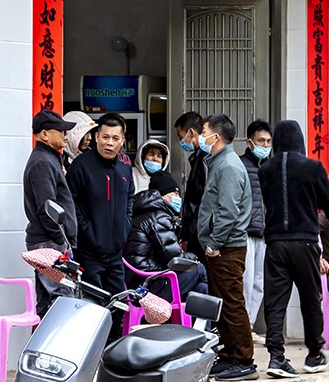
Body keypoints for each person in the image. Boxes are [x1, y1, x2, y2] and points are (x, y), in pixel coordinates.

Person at [259, 119, 329, 378]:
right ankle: (314, 354)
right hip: (304, 241)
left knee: (275, 302)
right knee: (310, 299)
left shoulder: (265, 169)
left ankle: (276, 357)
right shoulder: (313, 167)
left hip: (275, 243)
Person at [196, 113, 257, 381]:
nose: (200, 136)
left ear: (216, 137)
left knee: (232, 304)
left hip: (226, 248)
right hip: (222, 246)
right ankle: (231, 354)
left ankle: (244, 360)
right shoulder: (219, 162)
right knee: (224, 303)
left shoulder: (228, 166)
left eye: (204, 131)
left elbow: (228, 211)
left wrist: (214, 243)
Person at [66, 112, 134, 297]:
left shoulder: (124, 168)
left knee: (119, 305)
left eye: (115, 138)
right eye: (105, 137)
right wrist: (87, 232)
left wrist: (125, 228)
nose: (109, 143)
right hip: (89, 255)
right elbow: (70, 203)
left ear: (122, 140)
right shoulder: (80, 166)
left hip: (116, 254)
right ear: (96, 137)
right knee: (93, 306)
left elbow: (129, 199)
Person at [23, 109, 78, 316]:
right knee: (62, 301)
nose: (65, 135)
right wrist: (60, 239)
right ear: (45, 134)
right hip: (50, 243)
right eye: (61, 130)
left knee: (47, 304)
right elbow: (47, 209)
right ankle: (56, 348)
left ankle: (36, 348)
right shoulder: (42, 162)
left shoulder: (49, 159)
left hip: (50, 243)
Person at [123, 187, 209, 301]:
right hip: (148, 286)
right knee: (199, 269)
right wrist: (193, 258)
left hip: (137, 282)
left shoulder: (141, 215)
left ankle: (191, 317)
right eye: (174, 194)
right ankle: (197, 317)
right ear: (162, 196)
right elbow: (173, 258)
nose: (178, 198)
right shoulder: (158, 217)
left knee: (200, 287)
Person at [240, 120, 273, 338]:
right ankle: (241, 327)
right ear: (250, 142)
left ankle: (249, 326)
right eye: (261, 140)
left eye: (269, 141)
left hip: (264, 233)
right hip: (245, 232)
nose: (265, 145)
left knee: (259, 283)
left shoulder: (270, 167)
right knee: (246, 281)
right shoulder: (240, 164)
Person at [174, 111, 207, 258]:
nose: (181, 141)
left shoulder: (204, 159)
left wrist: (188, 235)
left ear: (191, 132)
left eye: (181, 137)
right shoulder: (199, 158)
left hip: (200, 234)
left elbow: (199, 202)